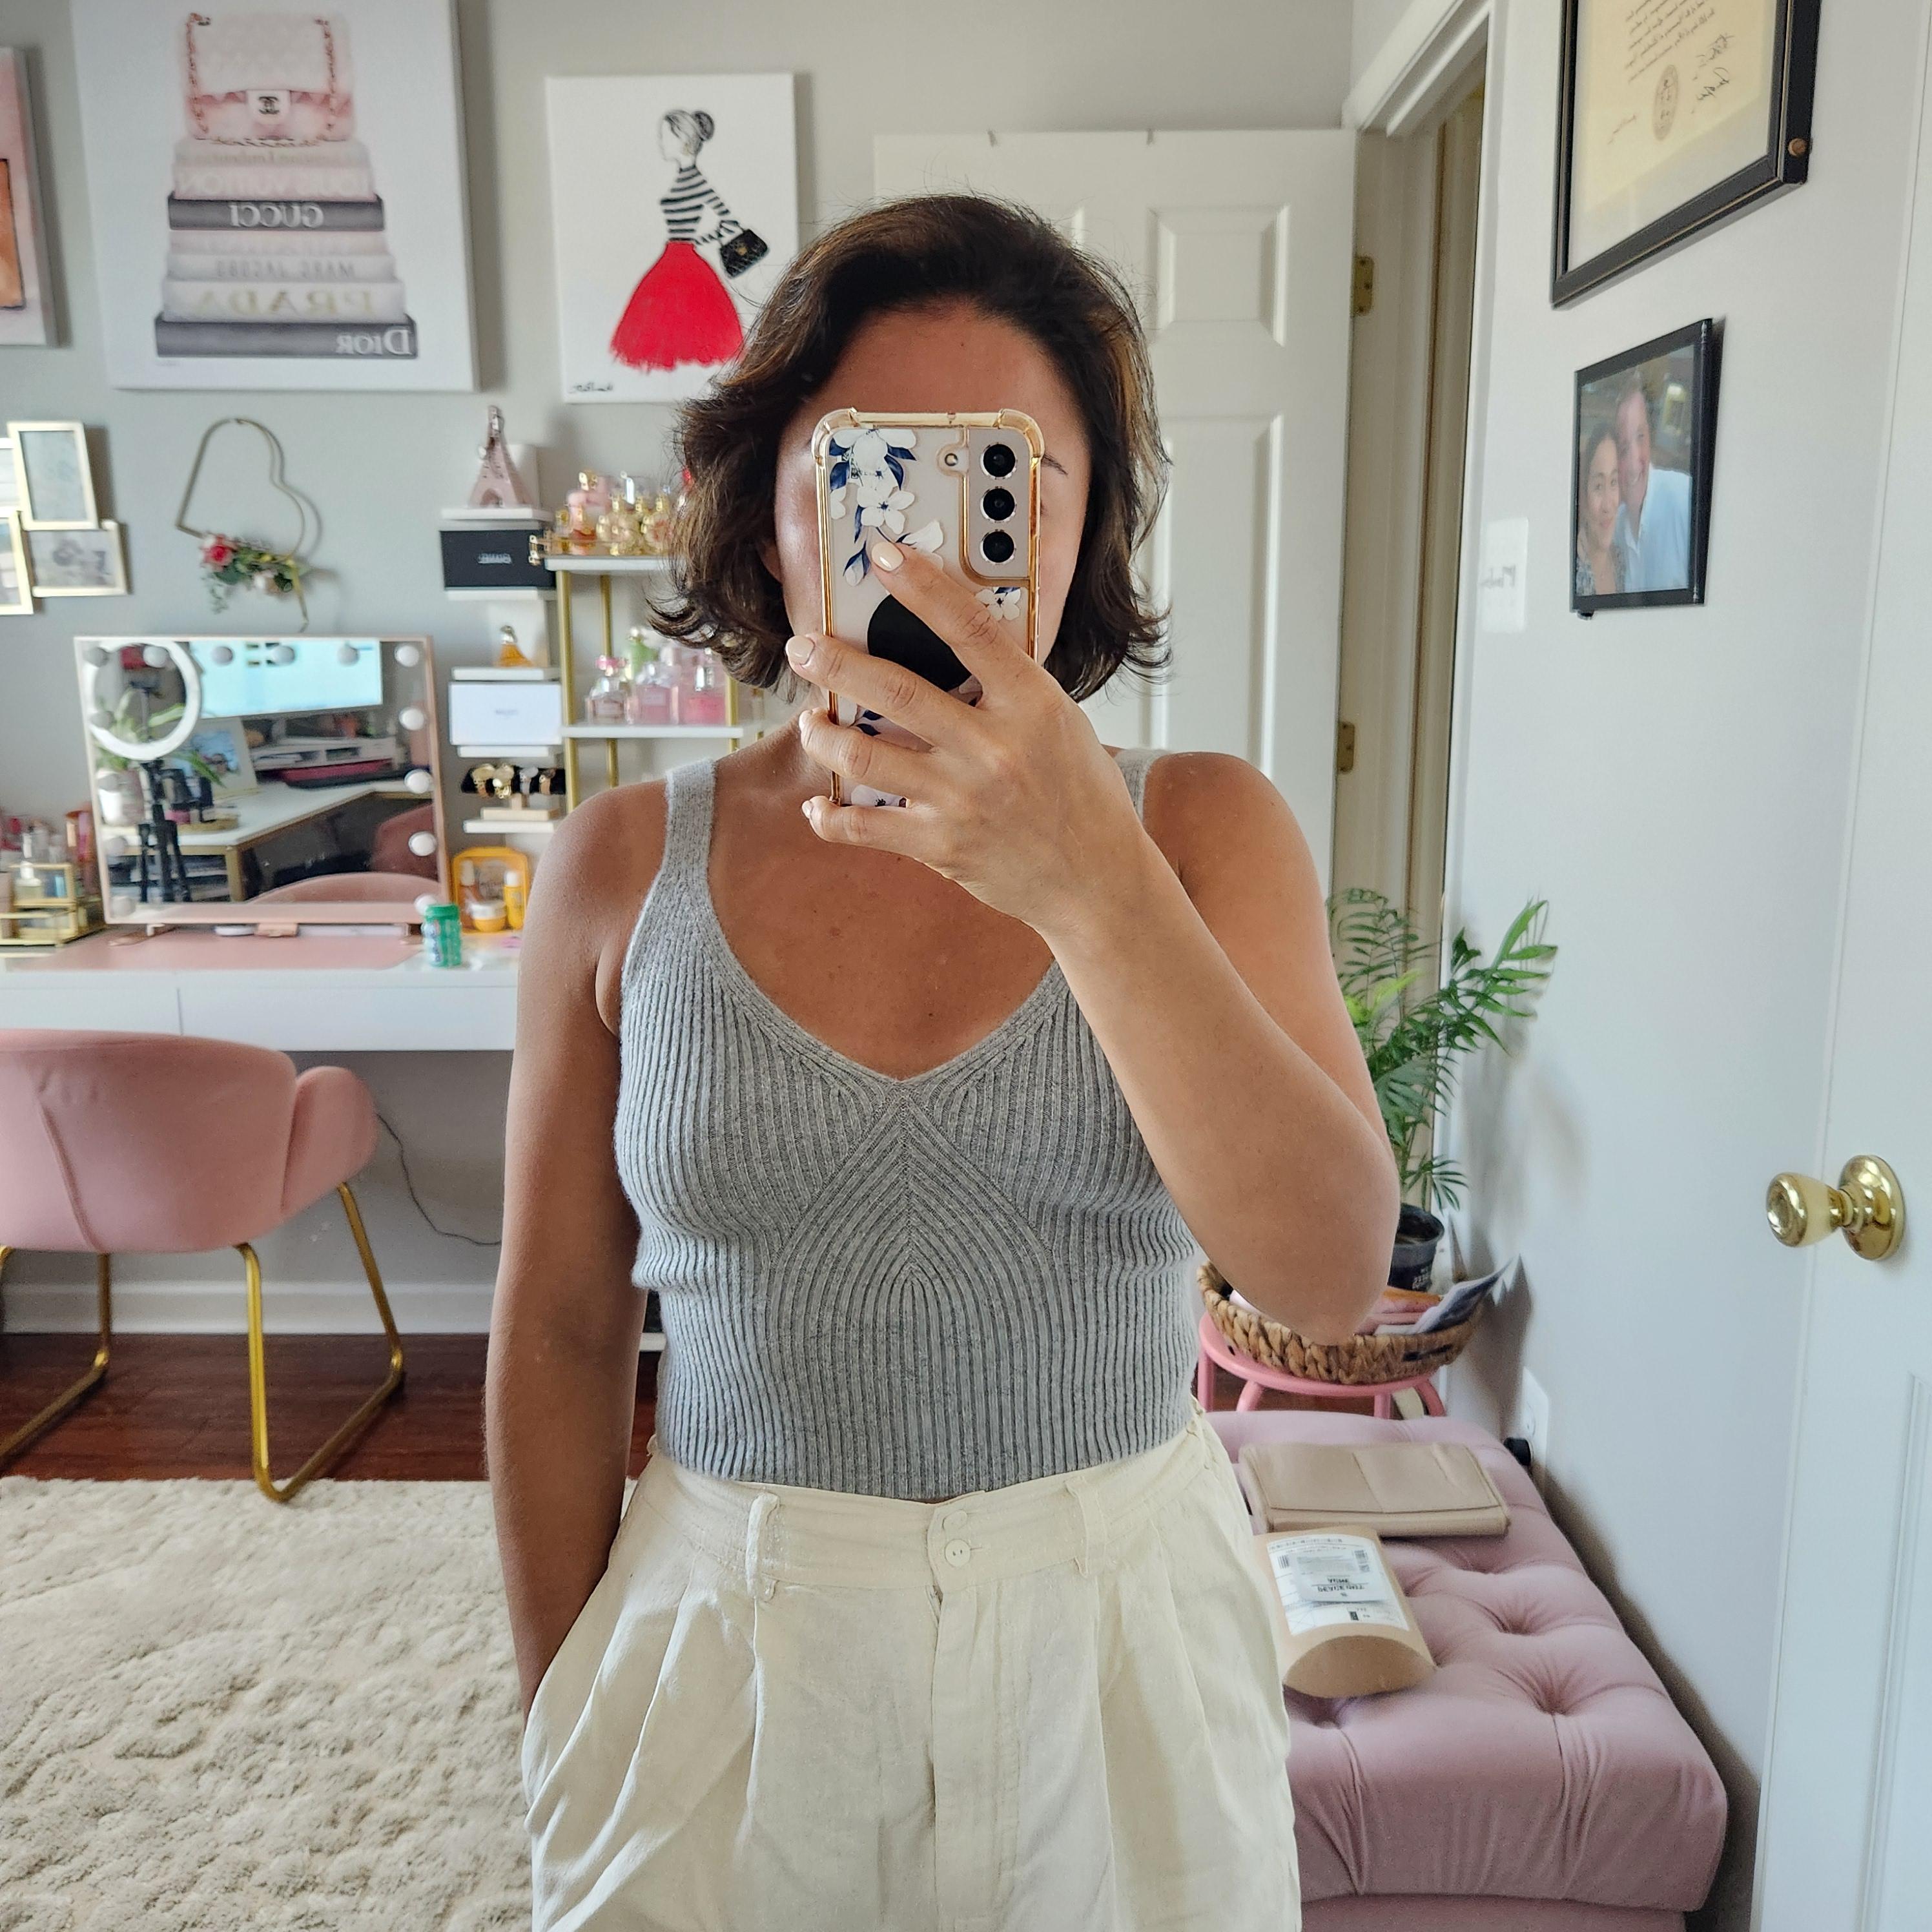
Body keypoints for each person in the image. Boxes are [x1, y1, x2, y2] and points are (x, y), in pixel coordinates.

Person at [489, 192, 1399, 1932]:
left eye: (998, 474)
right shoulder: (618, 865)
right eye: (864, 467)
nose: (915, 540)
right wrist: (566, 1707)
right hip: (725, 1642)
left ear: (1082, 524)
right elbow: (559, 1325)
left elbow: (1328, 1273)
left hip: (1120, 1651)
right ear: (766, 504)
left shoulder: (1203, 830)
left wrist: (1086, 878)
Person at [609, 109, 747, 373]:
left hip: (683, 257)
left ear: (682, 138)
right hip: (674, 256)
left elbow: (729, 221)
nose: (661, 143)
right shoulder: (683, 178)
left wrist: (699, 240)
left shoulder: (696, 181)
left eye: (666, 136)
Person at [1612, 374, 1692, 591]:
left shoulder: (1686, 500)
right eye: (1623, 447)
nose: (1634, 461)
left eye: (1640, 437)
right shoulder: (1616, 529)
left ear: (1651, 439)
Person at [1575, 420, 1628, 597]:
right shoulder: (1573, 571)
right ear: (1584, 494)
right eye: (1598, 486)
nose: (1607, 506)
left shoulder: (1621, 562)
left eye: (1613, 482)